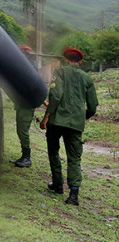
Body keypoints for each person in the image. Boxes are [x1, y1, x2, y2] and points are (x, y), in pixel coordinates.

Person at [41, 47, 98, 206]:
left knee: (53, 151)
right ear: (80, 61)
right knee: (74, 158)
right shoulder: (87, 78)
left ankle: (58, 185)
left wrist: (46, 117)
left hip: (57, 121)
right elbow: (93, 106)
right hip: (75, 124)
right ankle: (73, 194)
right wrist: (82, 117)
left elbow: (55, 95)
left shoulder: (59, 72)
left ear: (66, 60)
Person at [12, 45, 36, 167]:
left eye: (25, 51)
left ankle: (27, 158)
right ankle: (24, 156)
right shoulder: (26, 67)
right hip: (22, 104)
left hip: (26, 105)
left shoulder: (29, 67)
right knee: (20, 131)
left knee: (23, 131)